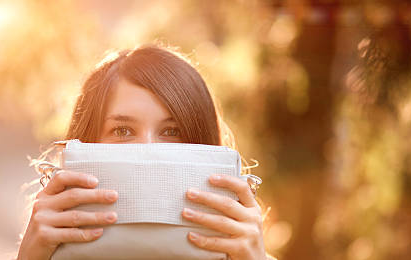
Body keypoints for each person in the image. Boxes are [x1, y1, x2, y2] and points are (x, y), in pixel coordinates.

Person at [17, 44, 271, 260]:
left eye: (172, 132)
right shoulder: (45, 249)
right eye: (122, 131)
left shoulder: (248, 253)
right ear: (85, 143)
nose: (148, 151)